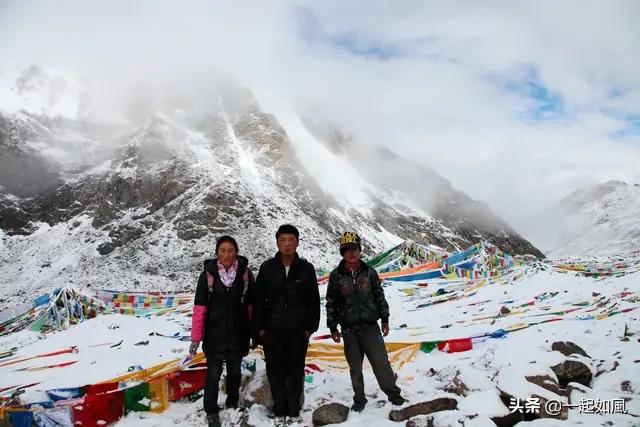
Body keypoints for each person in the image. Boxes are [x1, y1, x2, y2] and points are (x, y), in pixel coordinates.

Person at [325, 231, 407, 413]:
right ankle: (359, 400)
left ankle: (394, 395)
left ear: (360, 250)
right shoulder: (336, 276)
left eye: (354, 249)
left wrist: (385, 318)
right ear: (342, 253)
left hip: (371, 328)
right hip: (348, 330)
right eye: (347, 250)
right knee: (355, 368)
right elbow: (331, 302)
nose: (351, 253)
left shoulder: (370, 272)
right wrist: (332, 326)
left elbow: (379, 296)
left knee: (381, 363)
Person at [253, 224, 321, 426]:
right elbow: (258, 301)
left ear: (297, 242)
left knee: (295, 370)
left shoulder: (306, 269)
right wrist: (261, 330)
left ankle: (293, 410)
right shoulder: (267, 268)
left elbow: (314, 301)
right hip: (272, 331)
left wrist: (310, 329)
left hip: (298, 331)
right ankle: (279, 409)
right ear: (277, 242)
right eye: (283, 240)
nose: (287, 244)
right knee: (275, 371)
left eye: (291, 240)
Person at [189, 236, 255, 427]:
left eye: (230, 250)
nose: (226, 254)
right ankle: (211, 410)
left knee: (235, 372)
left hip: (238, 333)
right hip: (214, 335)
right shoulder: (207, 276)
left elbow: (251, 307)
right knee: (213, 374)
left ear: (236, 252)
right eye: (223, 250)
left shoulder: (245, 275)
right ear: (217, 252)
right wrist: (196, 337)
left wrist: (253, 333)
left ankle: (232, 403)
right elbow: (200, 308)